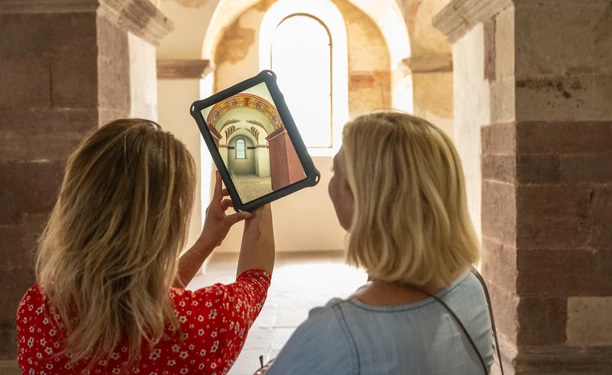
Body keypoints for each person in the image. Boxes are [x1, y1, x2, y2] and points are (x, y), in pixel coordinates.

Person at [16, 118, 275, 374]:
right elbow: (255, 279)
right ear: (168, 221)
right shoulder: (206, 321)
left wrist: (206, 242)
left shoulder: (37, 310)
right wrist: (258, 189)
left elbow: (133, 296)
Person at [261, 112, 494, 375]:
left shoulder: (338, 332)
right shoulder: (471, 287)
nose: (330, 185)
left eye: (335, 172)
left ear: (363, 199)